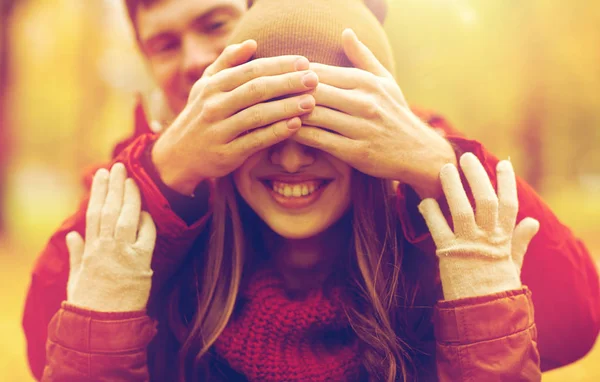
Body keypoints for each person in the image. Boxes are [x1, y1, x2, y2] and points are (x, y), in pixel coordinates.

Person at [23, 0, 600, 379]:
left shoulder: (397, 185)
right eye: (165, 44)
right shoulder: (142, 192)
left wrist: (435, 166)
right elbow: (49, 347)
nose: (197, 62)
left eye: (214, 25)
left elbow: (569, 319)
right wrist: (164, 173)